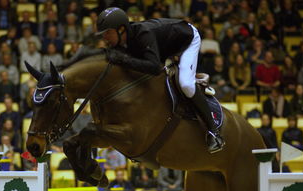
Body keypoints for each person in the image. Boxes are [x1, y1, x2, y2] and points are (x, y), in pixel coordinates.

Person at [96, 7, 224, 153]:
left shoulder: (143, 34)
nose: (104, 37)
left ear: (121, 30)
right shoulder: (121, 41)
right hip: (165, 48)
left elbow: (154, 68)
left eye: (107, 32)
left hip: (187, 40)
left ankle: (214, 131)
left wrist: (123, 60)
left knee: (186, 84)